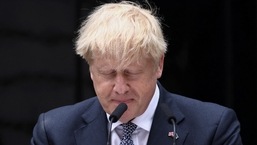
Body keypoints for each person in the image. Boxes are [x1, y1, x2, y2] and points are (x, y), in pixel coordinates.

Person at [31, 1, 243, 145]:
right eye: (108, 73)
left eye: (131, 73)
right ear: (91, 70)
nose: (120, 88)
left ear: (158, 65)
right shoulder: (54, 132)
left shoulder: (213, 129)